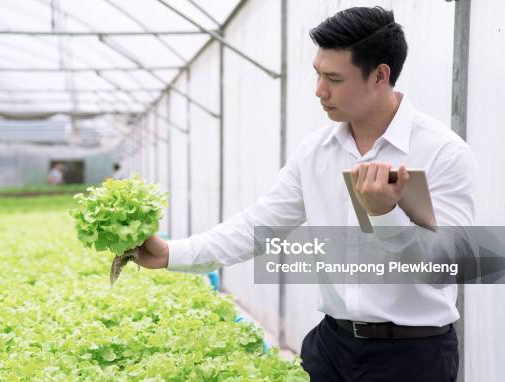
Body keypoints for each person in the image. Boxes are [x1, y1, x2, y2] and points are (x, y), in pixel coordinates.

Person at [135, 6, 474, 382]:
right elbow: (259, 226)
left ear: (380, 75)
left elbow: (450, 268)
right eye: (318, 74)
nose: (320, 91)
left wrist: (384, 214)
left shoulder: (442, 152)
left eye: (333, 78)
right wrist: (171, 253)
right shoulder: (316, 151)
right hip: (330, 347)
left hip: (412, 358)